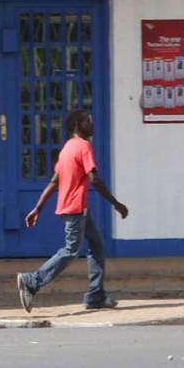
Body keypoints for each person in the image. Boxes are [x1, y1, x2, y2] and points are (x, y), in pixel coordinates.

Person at [16, 109, 129, 313]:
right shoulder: (84, 146)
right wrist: (116, 203)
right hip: (75, 208)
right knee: (70, 250)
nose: (92, 125)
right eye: (88, 121)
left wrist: (38, 208)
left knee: (97, 244)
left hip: (75, 208)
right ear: (78, 125)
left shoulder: (67, 147)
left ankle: (95, 295)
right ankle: (32, 281)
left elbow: (54, 181)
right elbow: (95, 179)